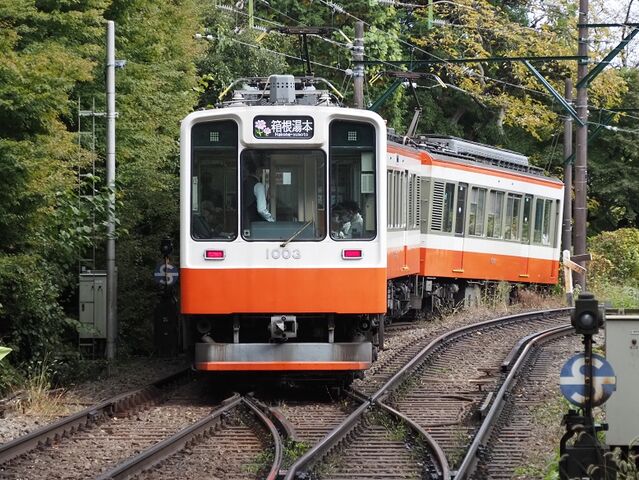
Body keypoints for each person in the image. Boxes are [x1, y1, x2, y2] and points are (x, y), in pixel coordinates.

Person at [243, 159, 274, 224]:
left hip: (243, 221)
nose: (261, 172)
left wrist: (266, 200)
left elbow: (250, 202)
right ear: (257, 171)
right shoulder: (258, 185)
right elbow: (261, 209)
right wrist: (271, 220)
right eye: (261, 170)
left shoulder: (244, 183)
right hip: (254, 223)